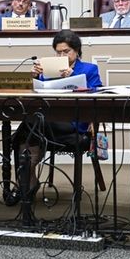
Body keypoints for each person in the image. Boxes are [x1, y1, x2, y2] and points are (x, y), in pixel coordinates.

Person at [16, 30, 103, 193]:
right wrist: (35, 77)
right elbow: (38, 94)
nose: (62, 55)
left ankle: (25, 183)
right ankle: (28, 179)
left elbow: (97, 95)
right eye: (58, 52)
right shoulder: (49, 69)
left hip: (75, 123)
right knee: (30, 126)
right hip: (49, 120)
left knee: (27, 128)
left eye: (66, 51)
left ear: (77, 51)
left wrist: (74, 75)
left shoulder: (90, 69)